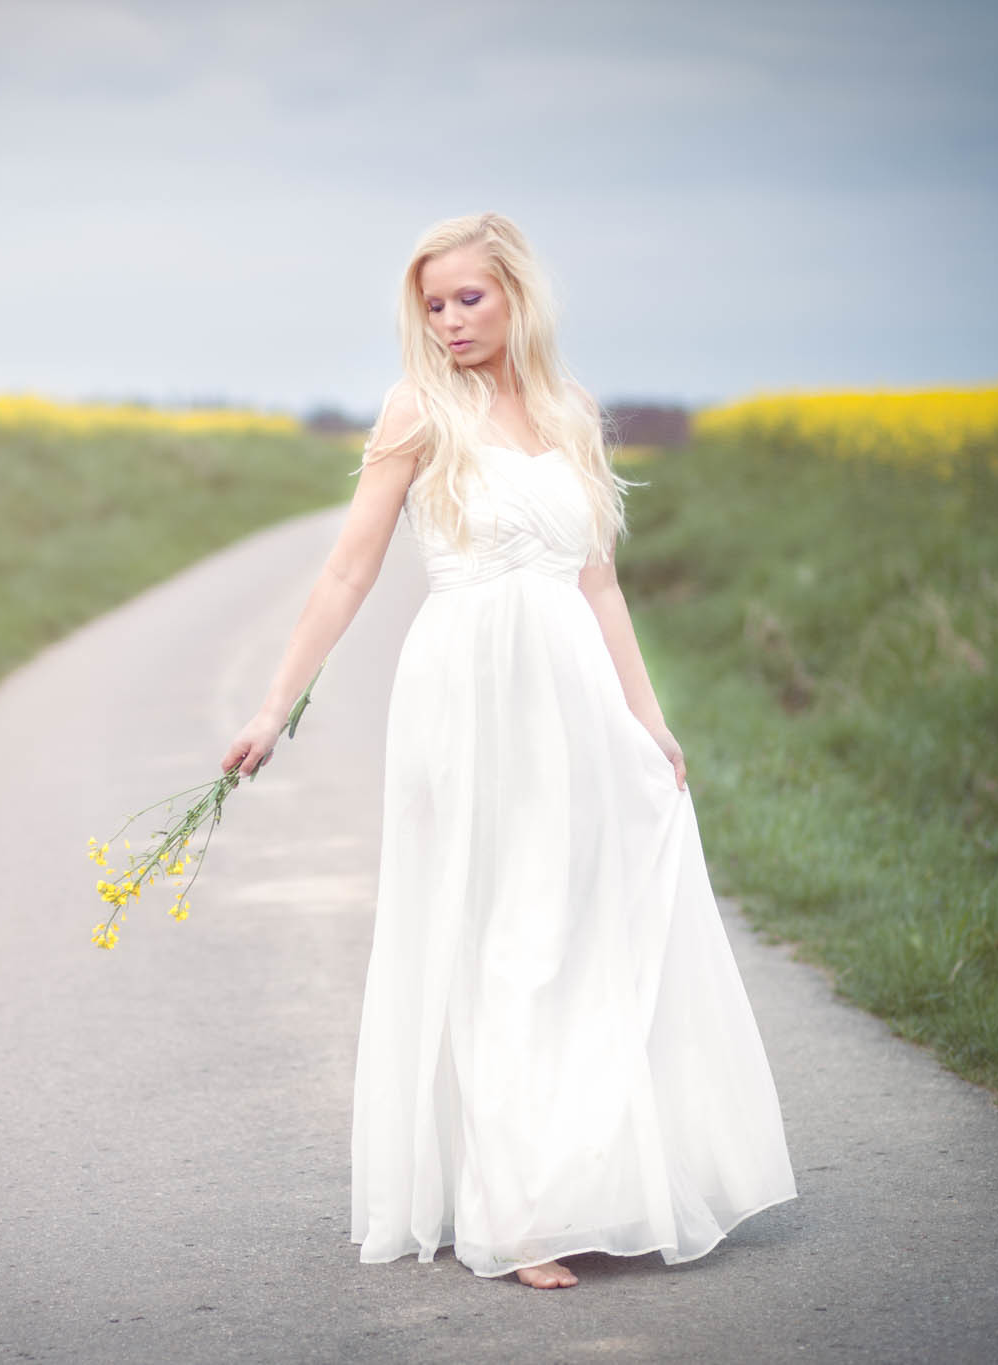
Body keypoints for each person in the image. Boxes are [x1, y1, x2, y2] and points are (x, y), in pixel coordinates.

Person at [221, 211, 796, 1289]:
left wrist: (648, 718)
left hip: (572, 693)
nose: (447, 321)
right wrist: (270, 705)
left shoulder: (574, 412)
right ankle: (513, 1212)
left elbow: (599, 583)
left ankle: (589, 1176)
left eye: (467, 298)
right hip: (467, 698)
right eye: (431, 304)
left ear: (517, 295)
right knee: (502, 934)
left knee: (581, 925)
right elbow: (346, 572)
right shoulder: (416, 411)